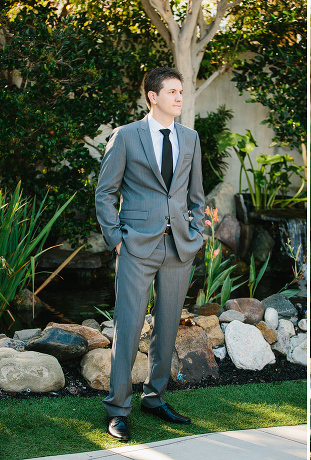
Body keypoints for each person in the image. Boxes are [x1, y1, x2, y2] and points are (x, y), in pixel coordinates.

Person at [95, 67, 205, 442]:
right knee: (127, 327)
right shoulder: (125, 137)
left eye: (181, 91)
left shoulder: (190, 138)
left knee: (168, 325)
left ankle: (155, 398)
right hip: (136, 245)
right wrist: (117, 240)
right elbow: (105, 193)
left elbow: (196, 195)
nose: (179, 97)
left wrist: (197, 233)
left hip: (178, 247)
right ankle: (117, 409)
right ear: (152, 97)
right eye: (172, 91)